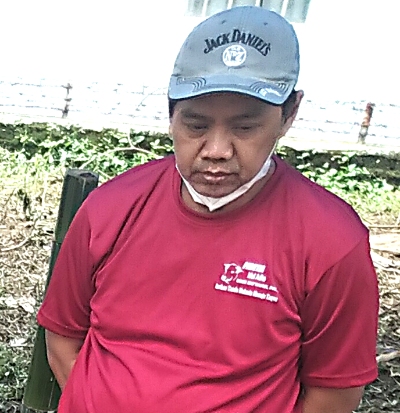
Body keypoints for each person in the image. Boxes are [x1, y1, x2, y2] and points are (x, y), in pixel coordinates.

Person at [37, 6, 379, 413]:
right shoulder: (110, 208)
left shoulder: (331, 242)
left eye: (245, 128)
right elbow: (63, 337)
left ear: (289, 115)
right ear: (170, 115)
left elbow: (333, 394)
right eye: (196, 125)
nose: (216, 151)